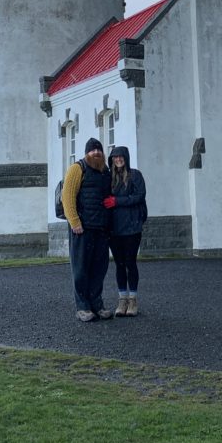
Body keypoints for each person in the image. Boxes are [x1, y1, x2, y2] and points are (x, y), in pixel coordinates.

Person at [62, 138, 114, 322]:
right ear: (86, 153)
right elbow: (67, 197)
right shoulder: (78, 168)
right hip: (82, 229)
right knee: (81, 269)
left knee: (99, 269)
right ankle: (82, 306)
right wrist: (75, 222)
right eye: (92, 150)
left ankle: (96, 303)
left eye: (99, 150)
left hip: (101, 228)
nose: (96, 153)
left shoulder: (105, 171)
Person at [104, 146, 147, 317]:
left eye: (121, 157)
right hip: (114, 229)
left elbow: (140, 195)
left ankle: (133, 300)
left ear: (126, 158)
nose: (118, 160)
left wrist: (117, 201)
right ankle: (122, 299)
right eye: (115, 157)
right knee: (119, 264)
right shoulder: (109, 178)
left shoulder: (135, 175)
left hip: (131, 227)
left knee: (130, 263)